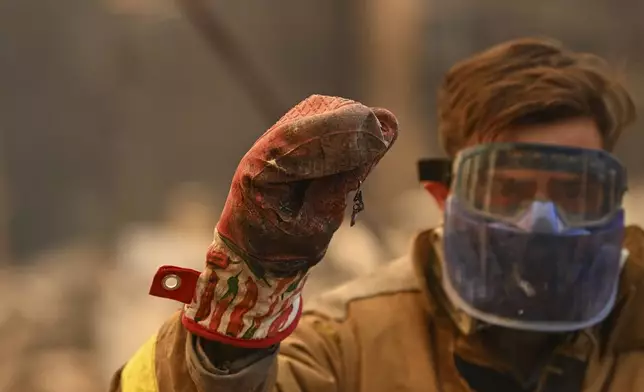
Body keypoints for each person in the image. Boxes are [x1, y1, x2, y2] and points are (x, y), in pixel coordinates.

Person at [109, 38, 644, 392]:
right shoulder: (347, 349)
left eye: (576, 192)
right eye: (508, 190)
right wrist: (238, 316)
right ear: (443, 197)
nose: (544, 222)